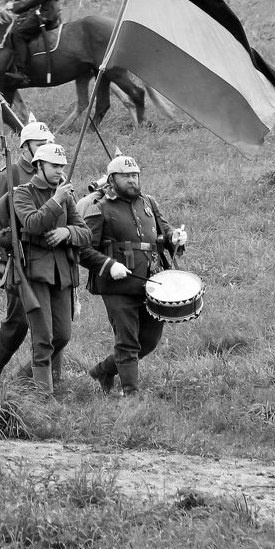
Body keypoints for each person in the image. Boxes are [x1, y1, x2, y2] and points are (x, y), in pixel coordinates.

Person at [78, 155, 187, 397]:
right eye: (126, 176)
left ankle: (103, 370)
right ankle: (131, 395)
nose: (132, 180)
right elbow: (83, 250)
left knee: (148, 340)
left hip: (151, 283)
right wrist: (108, 264)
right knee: (127, 341)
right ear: (111, 179)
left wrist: (174, 238)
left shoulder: (149, 202)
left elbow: (164, 231)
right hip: (116, 286)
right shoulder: (100, 207)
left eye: (135, 175)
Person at [10, 143, 92, 395]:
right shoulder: (23, 193)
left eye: (62, 167)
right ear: (39, 165)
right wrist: (57, 200)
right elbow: (33, 224)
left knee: (63, 335)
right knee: (43, 337)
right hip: (34, 271)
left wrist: (66, 231)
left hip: (62, 273)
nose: (59, 171)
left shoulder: (65, 195)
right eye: (54, 166)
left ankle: (20, 380)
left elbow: (86, 233)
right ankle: (43, 395)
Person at [0, 120, 54, 383]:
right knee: (20, 320)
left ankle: (33, 377)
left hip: (49, 260)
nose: (45, 149)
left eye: (48, 144)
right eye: (39, 144)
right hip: (18, 259)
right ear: (25, 147)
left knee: (53, 324)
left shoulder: (53, 173)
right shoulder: (8, 175)